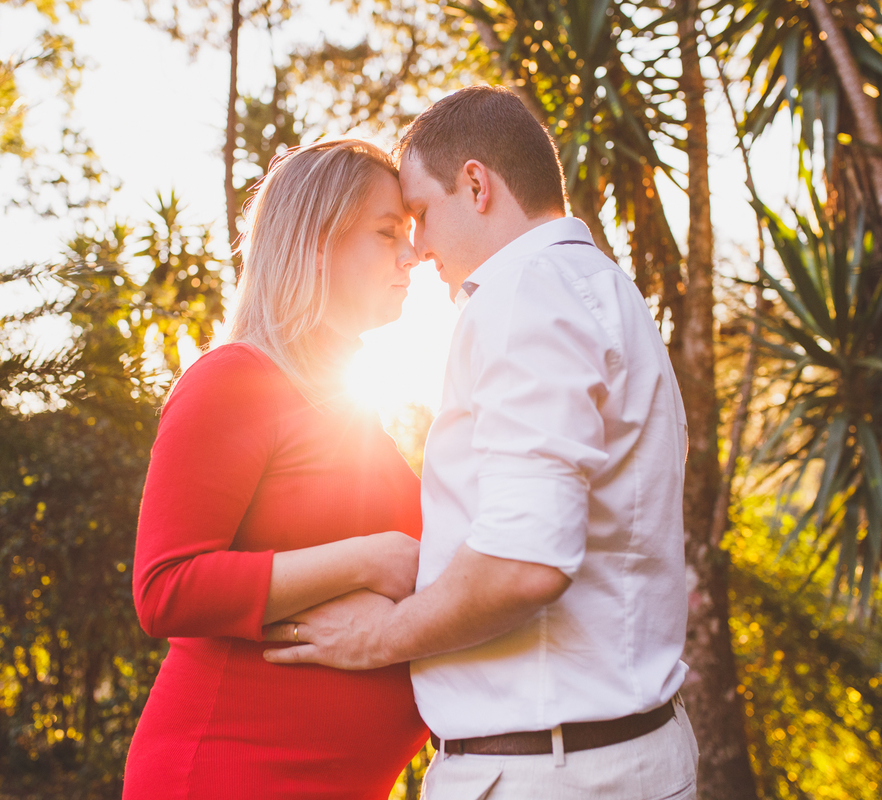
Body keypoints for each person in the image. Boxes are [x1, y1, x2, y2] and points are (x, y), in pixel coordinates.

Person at [265, 86, 700, 799]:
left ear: (476, 184)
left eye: (421, 214)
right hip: (615, 757)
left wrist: (377, 636)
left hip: (548, 774)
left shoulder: (522, 293)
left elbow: (523, 564)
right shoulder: (606, 292)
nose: (418, 246)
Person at [122, 138, 429, 800]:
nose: (412, 257)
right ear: (317, 241)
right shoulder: (234, 380)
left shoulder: (349, 408)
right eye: (386, 234)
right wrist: (365, 560)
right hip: (230, 773)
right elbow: (165, 587)